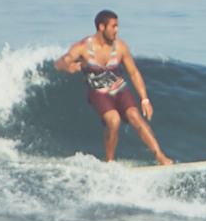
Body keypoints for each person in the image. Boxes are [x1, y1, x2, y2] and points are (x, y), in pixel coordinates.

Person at [55, 10, 172, 164]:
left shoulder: (120, 47)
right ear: (102, 27)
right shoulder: (83, 47)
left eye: (117, 26)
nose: (116, 30)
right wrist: (67, 66)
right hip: (98, 93)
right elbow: (60, 62)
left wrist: (145, 99)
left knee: (135, 116)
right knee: (114, 120)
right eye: (113, 26)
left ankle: (160, 156)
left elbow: (134, 73)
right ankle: (109, 161)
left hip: (120, 89)